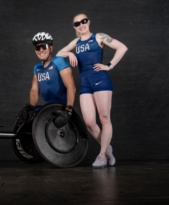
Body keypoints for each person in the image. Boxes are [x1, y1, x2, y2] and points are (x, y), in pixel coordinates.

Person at [56, 14, 128, 168]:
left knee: (104, 118)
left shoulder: (99, 37)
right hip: (85, 84)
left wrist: (109, 65)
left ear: (88, 22)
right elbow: (57, 55)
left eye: (83, 21)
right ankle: (107, 148)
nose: (81, 25)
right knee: (89, 122)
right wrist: (69, 53)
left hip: (101, 80)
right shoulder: (75, 42)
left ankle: (102, 155)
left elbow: (122, 47)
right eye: (77, 23)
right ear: (74, 27)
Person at [18, 32, 76, 129]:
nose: (41, 50)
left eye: (44, 46)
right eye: (38, 48)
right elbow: (35, 90)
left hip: (61, 108)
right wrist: (30, 107)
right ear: (35, 51)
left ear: (51, 48)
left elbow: (71, 87)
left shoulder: (59, 61)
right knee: (23, 119)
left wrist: (68, 110)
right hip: (48, 108)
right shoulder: (37, 67)